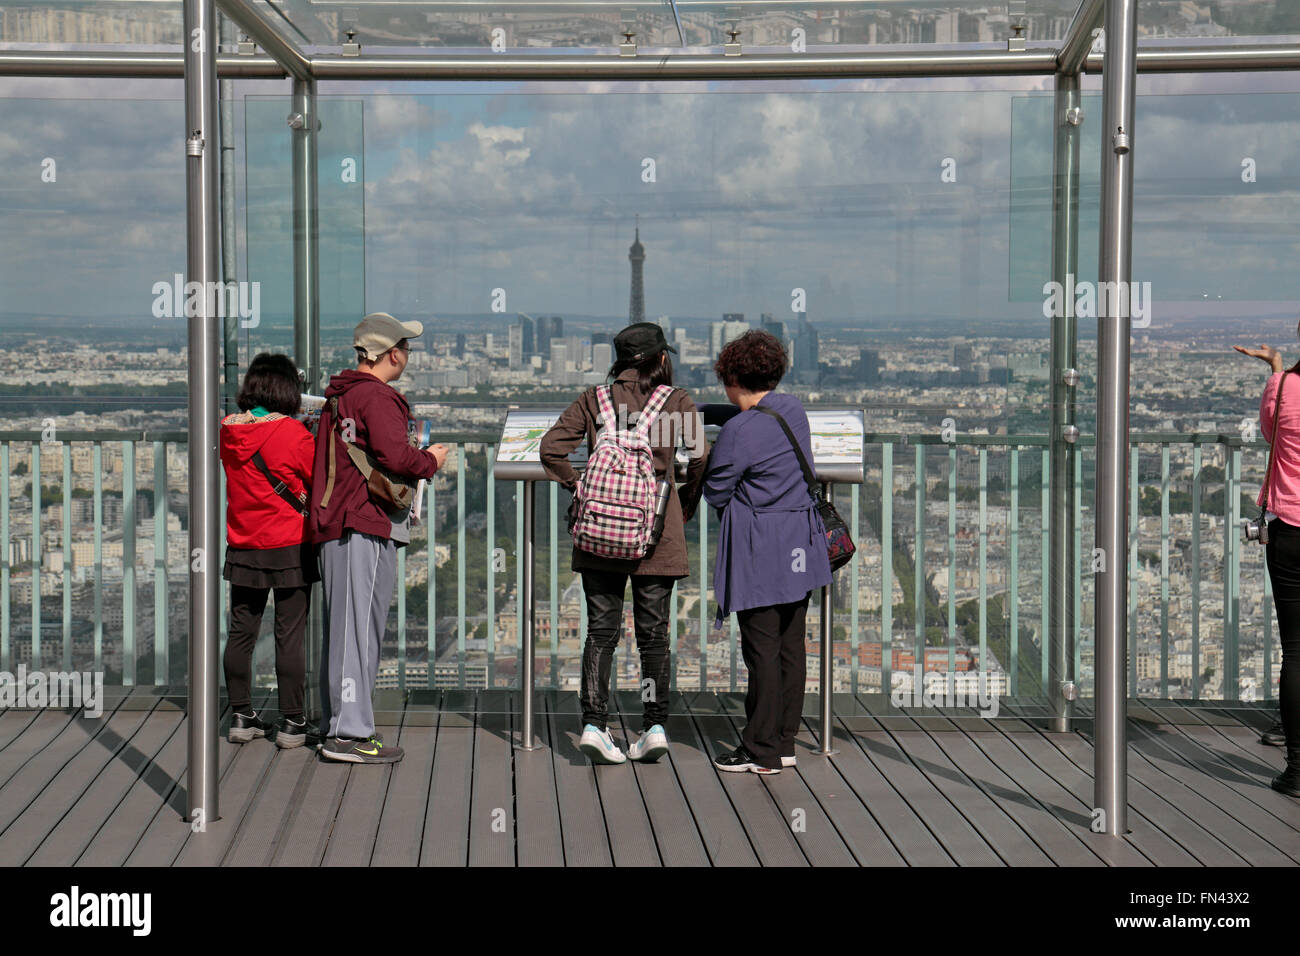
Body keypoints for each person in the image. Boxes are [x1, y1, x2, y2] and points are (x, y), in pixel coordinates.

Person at [540, 322, 708, 764]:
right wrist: (680, 503)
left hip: (600, 533)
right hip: (657, 532)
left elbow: (550, 449)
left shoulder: (593, 400)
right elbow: (699, 456)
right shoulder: (676, 402)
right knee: (654, 635)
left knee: (600, 632)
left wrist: (581, 486)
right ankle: (653, 725)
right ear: (661, 359)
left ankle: (595, 724)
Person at [310, 312, 451, 764]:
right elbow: (396, 454)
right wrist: (429, 459)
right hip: (362, 521)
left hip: (341, 522)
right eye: (406, 348)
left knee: (348, 630)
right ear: (392, 353)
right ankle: (348, 734)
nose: (407, 355)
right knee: (358, 631)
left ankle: (340, 724)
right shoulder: (378, 397)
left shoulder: (341, 396)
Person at [705, 330, 831, 774]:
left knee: (760, 651)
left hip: (761, 551)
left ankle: (761, 751)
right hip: (801, 542)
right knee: (789, 646)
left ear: (732, 377)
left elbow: (717, 489)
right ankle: (784, 741)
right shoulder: (793, 409)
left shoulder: (738, 433)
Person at [219, 352, 318, 748]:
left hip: (243, 542)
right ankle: (292, 721)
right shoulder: (293, 435)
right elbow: (315, 476)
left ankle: (241, 715)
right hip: (290, 543)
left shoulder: (229, 430)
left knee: (241, 631)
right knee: (288, 635)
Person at [1235, 337, 1300, 796]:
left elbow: (1270, 432)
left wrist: (1275, 368)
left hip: (1291, 532)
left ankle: (1297, 769)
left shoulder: (1285, 388)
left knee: (1296, 651)